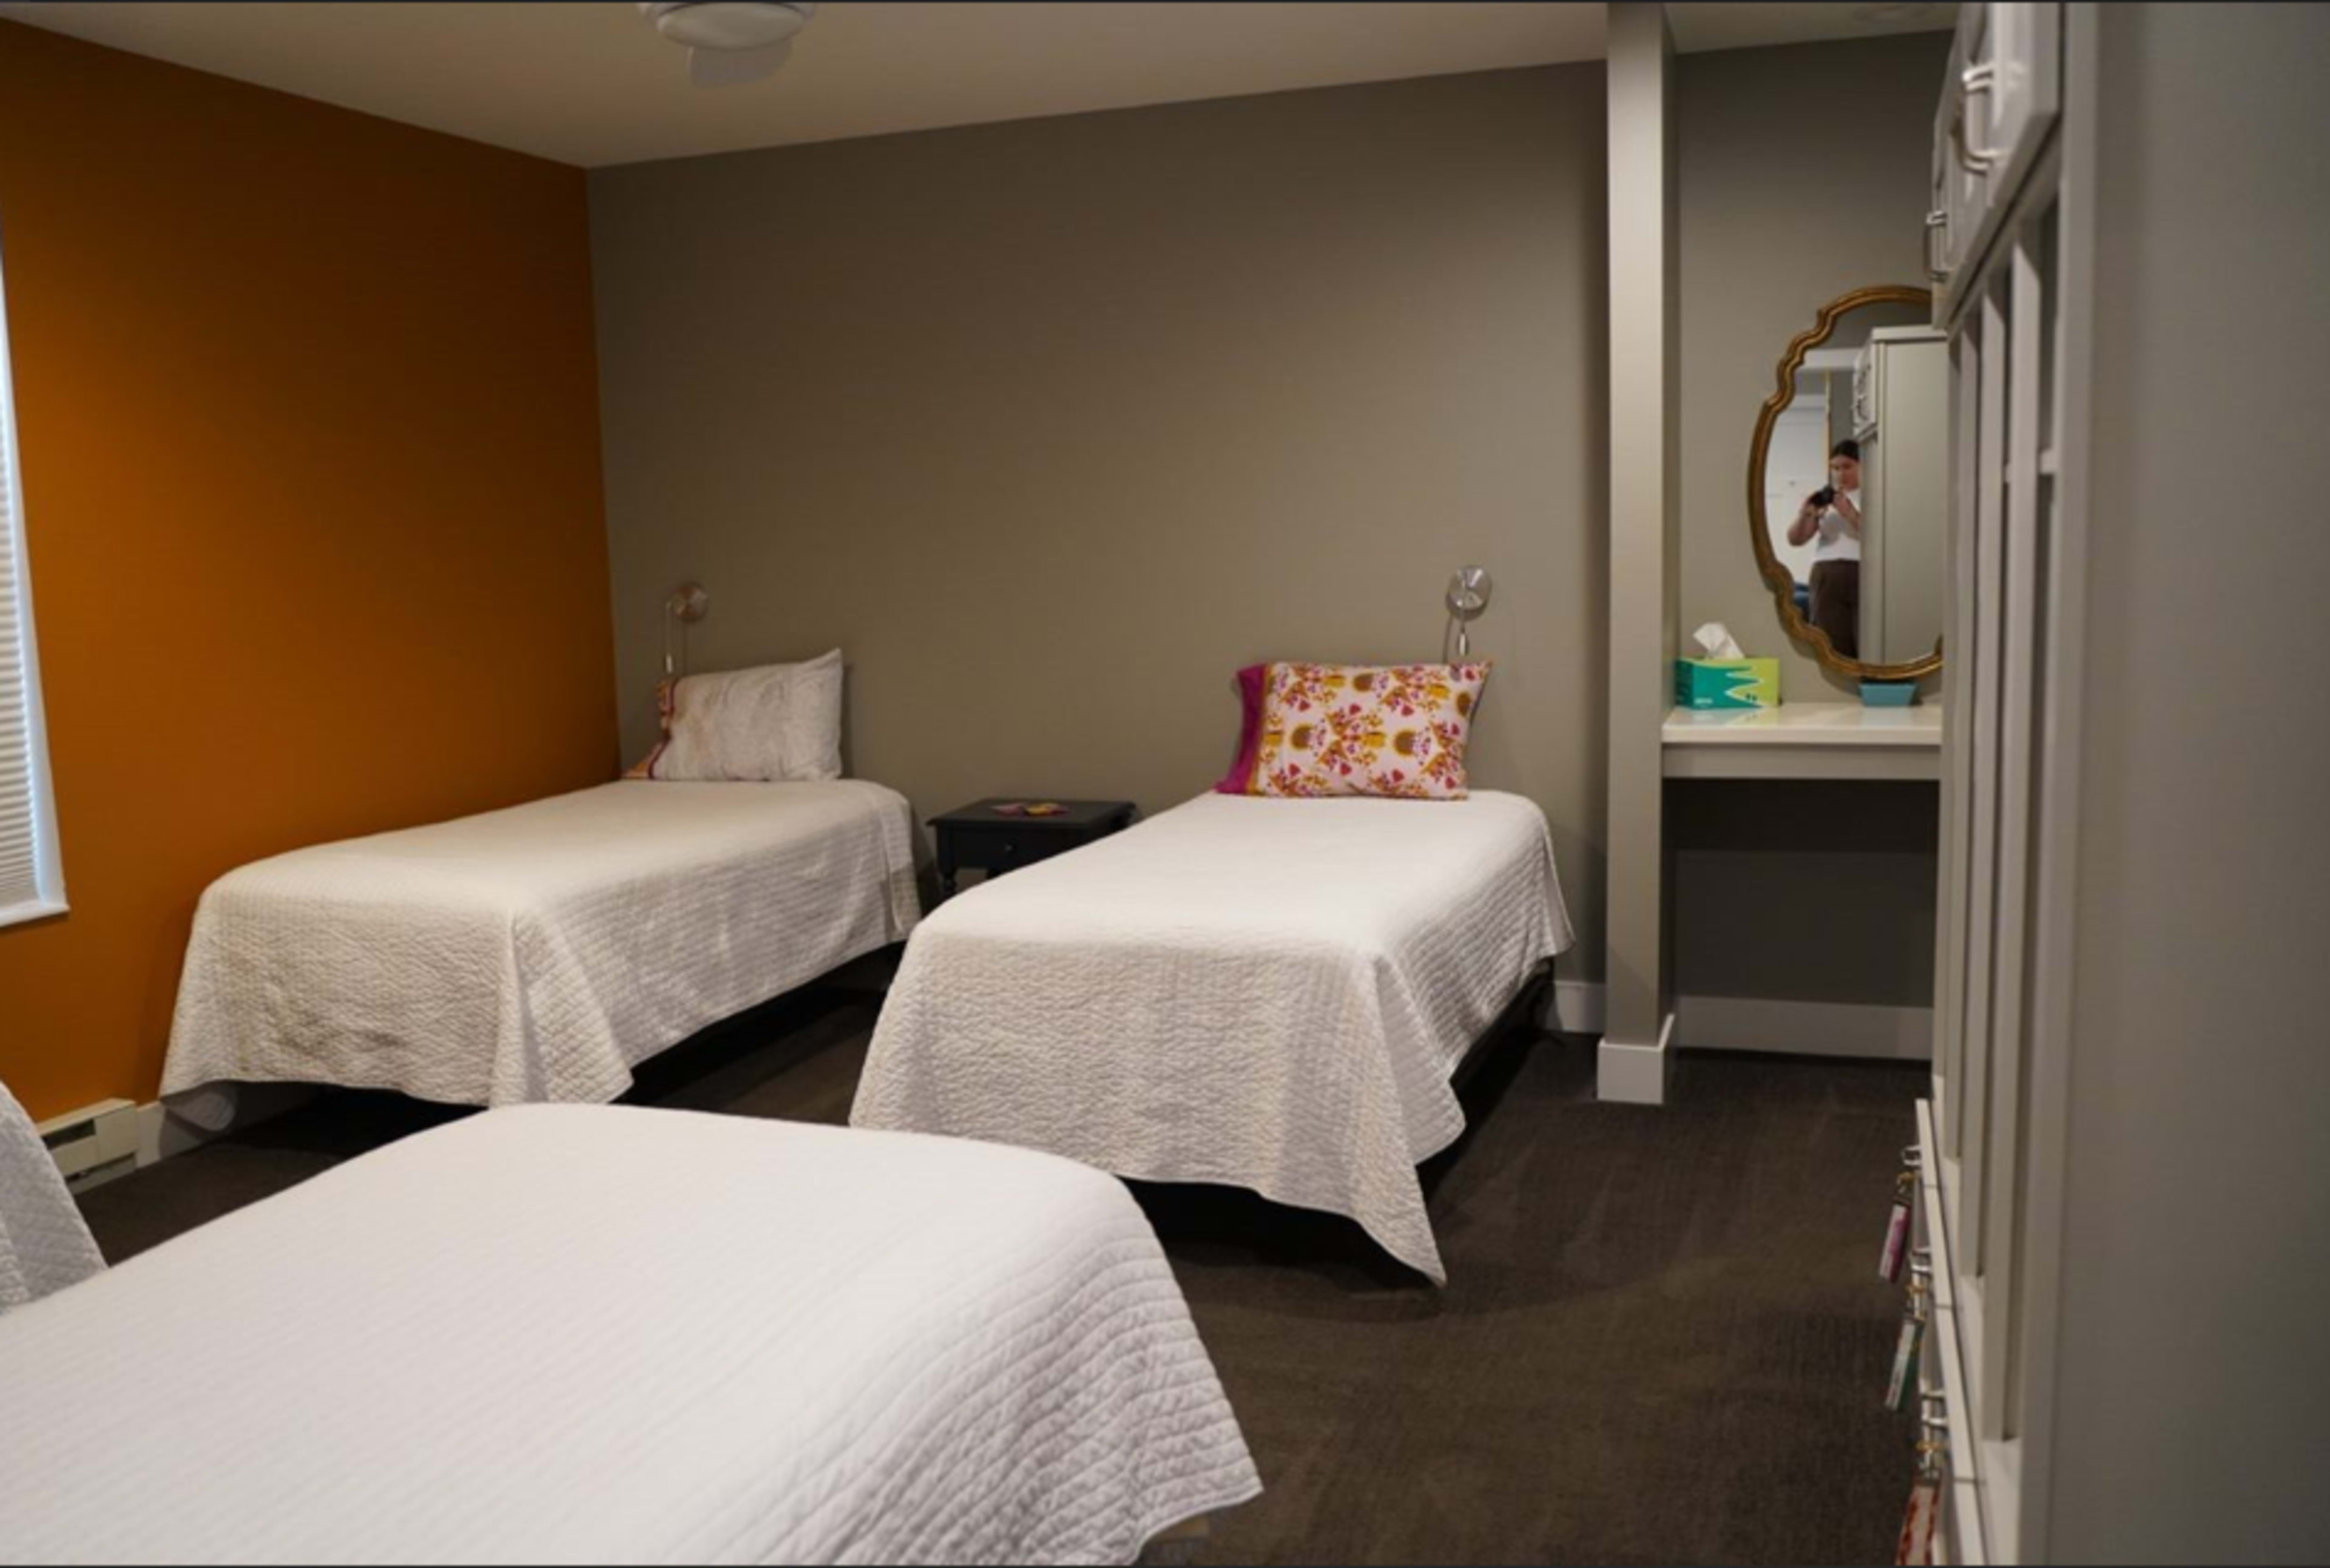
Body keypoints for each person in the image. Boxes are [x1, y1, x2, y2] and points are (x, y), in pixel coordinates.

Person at [1788, 438, 1863, 658]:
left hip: (1864, 572)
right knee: (1829, 641)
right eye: (1835, 468)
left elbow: (1880, 537)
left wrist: (1849, 513)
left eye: (1848, 467)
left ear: (1863, 465)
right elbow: (1796, 539)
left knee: (1868, 638)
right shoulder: (1827, 499)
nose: (1841, 474)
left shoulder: (1877, 495)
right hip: (1826, 572)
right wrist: (1807, 512)